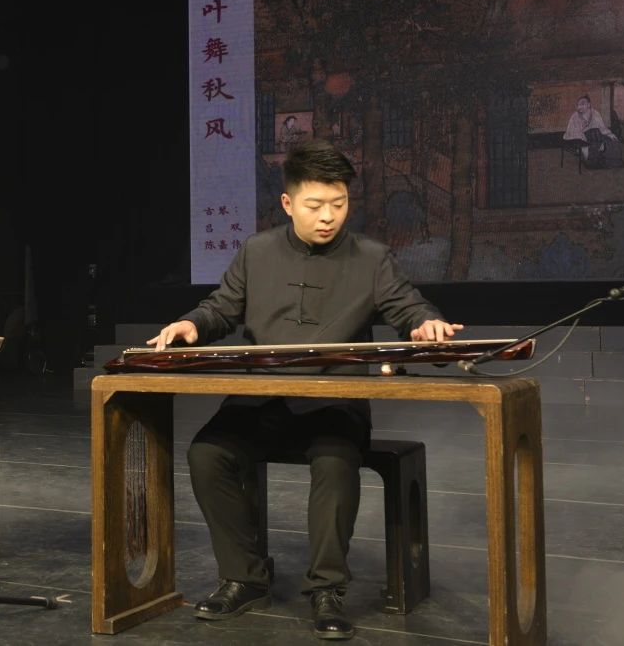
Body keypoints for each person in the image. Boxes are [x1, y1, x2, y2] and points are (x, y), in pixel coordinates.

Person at [148, 141, 461, 640]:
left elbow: (409, 307)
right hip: (261, 401)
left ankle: (326, 589)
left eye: (339, 204)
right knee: (207, 454)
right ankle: (245, 577)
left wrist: (426, 325)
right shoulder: (257, 251)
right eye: (315, 206)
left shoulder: (372, 258)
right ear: (288, 203)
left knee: (335, 463)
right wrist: (192, 324)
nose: (328, 217)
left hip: (333, 404)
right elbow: (221, 307)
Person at [562, 95, 622, 168]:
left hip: (596, 136)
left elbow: (602, 127)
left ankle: (610, 160)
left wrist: (610, 134)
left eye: (582, 104)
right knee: (593, 137)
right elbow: (572, 132)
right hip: (582, 138)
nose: (580, 107)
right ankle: (593, 154)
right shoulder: (575, 116)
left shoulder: (595, 113)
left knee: (612, 141)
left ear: (589, 104)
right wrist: (583, 143)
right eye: (578, 105)